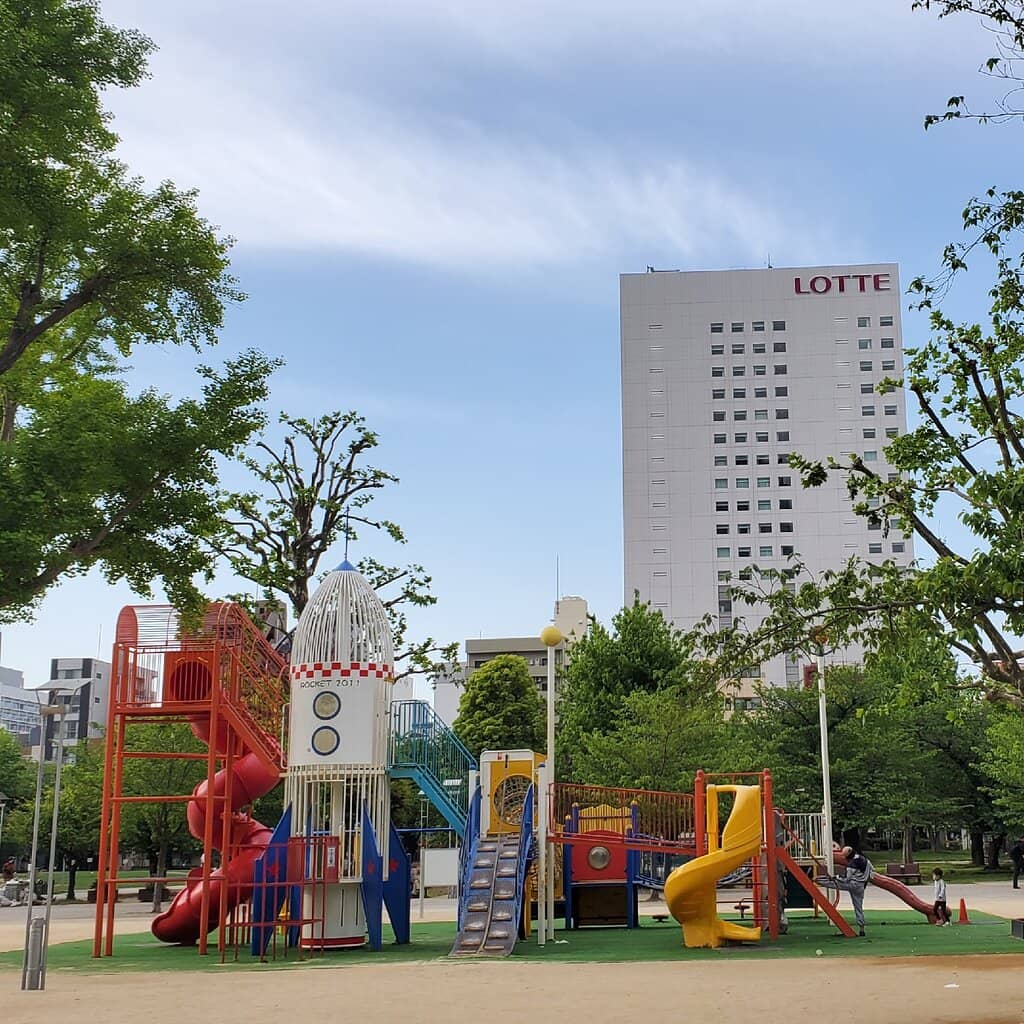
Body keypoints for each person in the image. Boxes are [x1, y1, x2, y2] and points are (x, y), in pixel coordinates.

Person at [832, 845, 872, 937]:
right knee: (859, 907)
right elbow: (871, 873)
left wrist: (836, 877)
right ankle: (861, 928)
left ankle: (819, 881)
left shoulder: (851, 866)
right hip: (861, 886)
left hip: (853, 884)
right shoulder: (865, 860)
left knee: (833, 883)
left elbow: (846, 879)